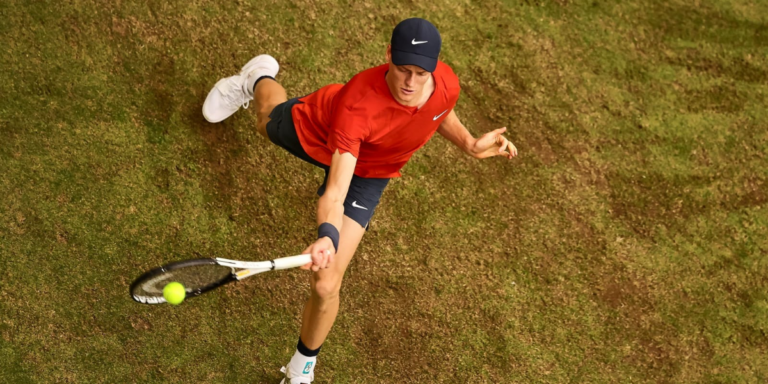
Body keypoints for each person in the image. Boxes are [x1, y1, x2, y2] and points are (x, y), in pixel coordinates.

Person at [202, 18, 517, 384]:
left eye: (420, 73)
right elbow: (335, 192)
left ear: (434, 67)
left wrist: (469, 144)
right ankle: (256, 78)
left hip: (371, 173)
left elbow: (439, 111)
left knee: (325, 284)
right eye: (402, 70)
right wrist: (326, 235)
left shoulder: (445, 83)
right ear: (388, 55)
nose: (410, 83)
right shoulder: (358, 105)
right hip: (324, 131)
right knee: (266, 122)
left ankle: (300, 369)